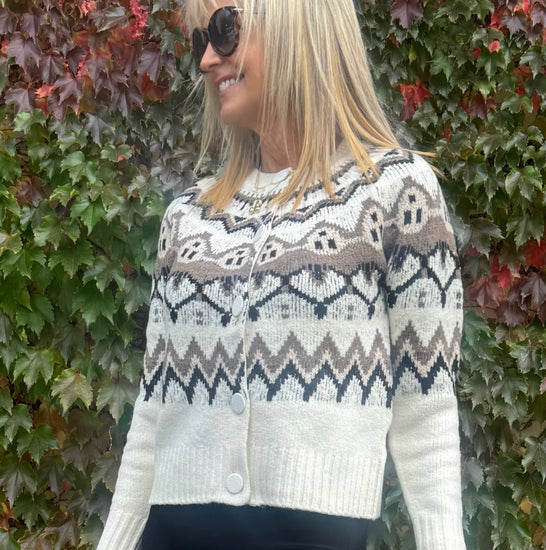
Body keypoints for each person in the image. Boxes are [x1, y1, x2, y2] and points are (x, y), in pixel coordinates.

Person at [97, 1, 466, 549]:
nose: (206, 59)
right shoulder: (188, 218)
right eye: (200, 41)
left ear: (298, 20)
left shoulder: (394, 194)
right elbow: (153, 415)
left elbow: (426, 410)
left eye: (224, 30)